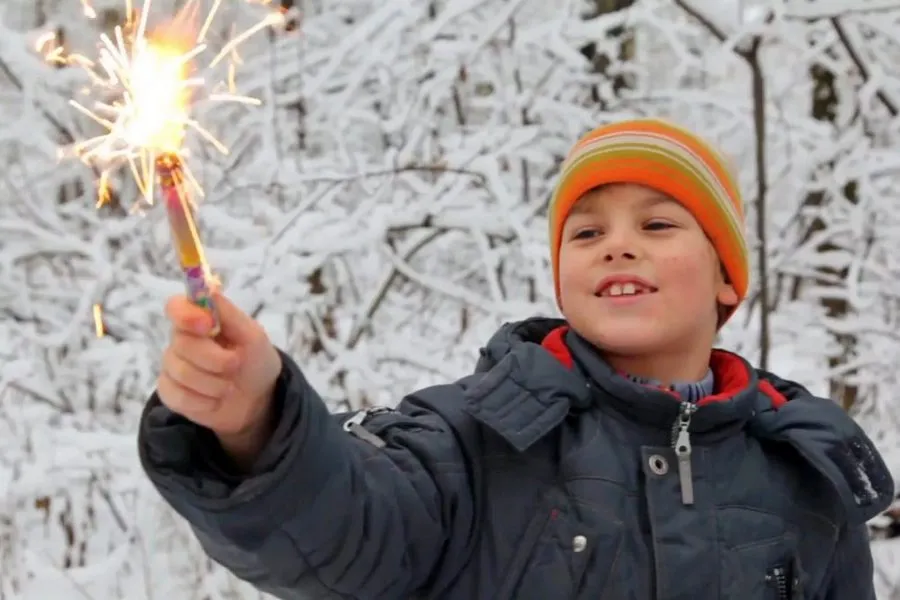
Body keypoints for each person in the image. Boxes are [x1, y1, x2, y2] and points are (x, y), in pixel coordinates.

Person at [138, 118, 894, 599]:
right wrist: (258, 425)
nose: (618, 244)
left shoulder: (804, 478)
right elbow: (345, 533)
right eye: (586, 233)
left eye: (658, 223)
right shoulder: (474, 437)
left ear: (728, 277)